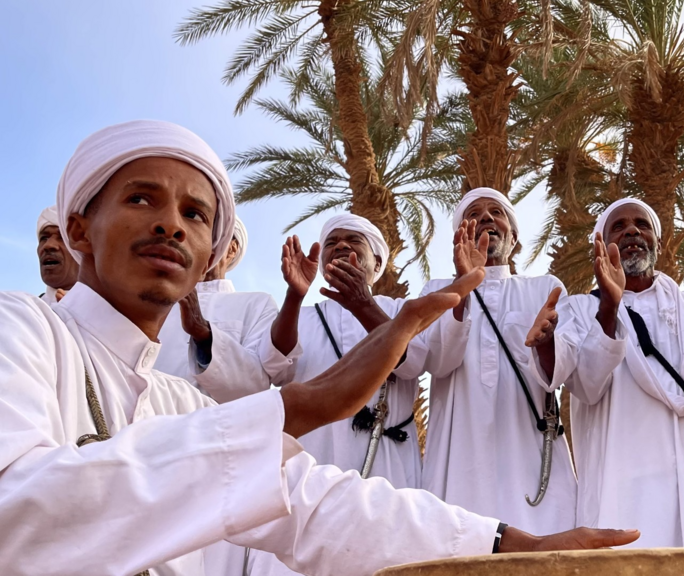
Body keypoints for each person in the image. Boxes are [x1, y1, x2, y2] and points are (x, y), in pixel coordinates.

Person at [0, 120, 638, 576]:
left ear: (208, 257)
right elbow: (16, 512)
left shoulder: (176, 403)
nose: (171, 224)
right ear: (79, 227)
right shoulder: (19, 329)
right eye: (142, 199)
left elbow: (319, 507)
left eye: (196, 215)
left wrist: (504, 546)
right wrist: (293, 409)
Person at [525, 199, 684, 547]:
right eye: (619, 226)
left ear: (657, 241)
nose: (631, 230)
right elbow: (587, 385)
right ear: (601, 244)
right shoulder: (580, 307)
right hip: (621, 474)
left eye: (641, 224)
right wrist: (607, 308)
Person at [243, 213, 442, 576]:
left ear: (378, 262)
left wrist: (362, 304)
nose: (341, 246)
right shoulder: (304, 315)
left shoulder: (400, 312)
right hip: (315, 455)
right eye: (333, 242)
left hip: (385, 462)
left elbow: (410, 364)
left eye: (353, 241)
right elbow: (274, 366)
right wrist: (293, 296)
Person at [419, 187, 576, 535]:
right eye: (474, 214)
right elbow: (439, 361)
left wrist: (547, 343)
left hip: (529, 452)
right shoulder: (436, 289)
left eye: (497, 212)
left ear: (514, 237)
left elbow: (559, 374)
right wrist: (462, 287)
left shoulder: (543, 288)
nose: (486, 218)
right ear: (461, 234)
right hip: (458, 450)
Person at [154, 216, 297, 401]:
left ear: (232, 248)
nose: (201, 240)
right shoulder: (157, 300)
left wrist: (205, 336)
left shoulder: (256, 304)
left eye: (212, 234)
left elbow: (255, 389)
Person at [36, 204, 79, 304]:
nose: (48, 245)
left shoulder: (115, 310)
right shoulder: (24, 312)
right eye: (44, 238)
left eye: (62, 237)